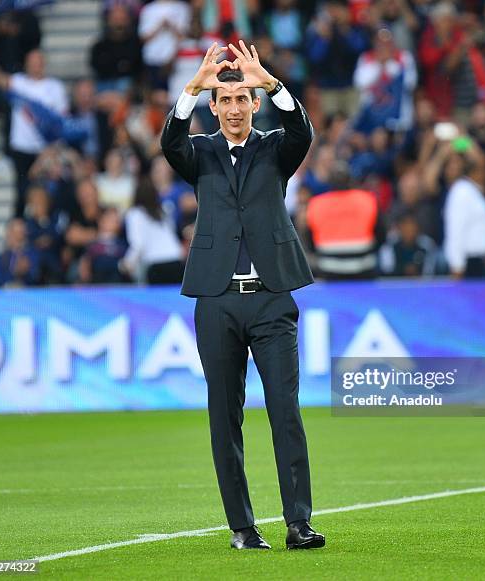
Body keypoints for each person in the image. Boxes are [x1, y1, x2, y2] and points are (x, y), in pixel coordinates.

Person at [161, 40, 324, 551]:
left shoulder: (276, 148)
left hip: (272, 298)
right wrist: (191, 86)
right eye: (224, 101)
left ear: (253, 106)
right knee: (223, 416)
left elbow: (303, 130)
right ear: (214, 108)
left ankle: (298, 523)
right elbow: (171, 144)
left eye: (242, 100)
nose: (234, 109)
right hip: (216, 300)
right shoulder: (201, 152)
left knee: (285, 411)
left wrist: (271, 82)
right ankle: (242, 528)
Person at [0, 40, 68, 218]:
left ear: (44, 63)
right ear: (26, 63)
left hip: (46, 150)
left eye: (39, 61)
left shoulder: (55, 87)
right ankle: (19, 231)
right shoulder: (19, 82)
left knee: (49, 192)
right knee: (22, 193)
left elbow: (61, 123)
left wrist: (49, 152)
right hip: (22, 149)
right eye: (32, 61)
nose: (36, 65)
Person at [122, 178, 186, 284]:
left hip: (156, 266)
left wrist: (127, 263)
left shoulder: (134, 214)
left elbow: (138, 244)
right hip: (177, 263)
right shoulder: (164, 211)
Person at [443, 154, 485, 278]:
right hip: (468, 264)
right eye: (483, 169)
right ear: (473, 171)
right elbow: (456, 229)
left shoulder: (473, 192)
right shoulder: (462, 192)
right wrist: (457, 266)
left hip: (479, 261)